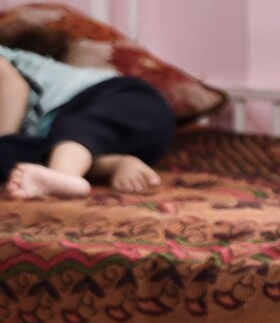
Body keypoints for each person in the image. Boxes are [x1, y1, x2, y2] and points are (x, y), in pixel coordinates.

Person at [0, 25, 175, 199]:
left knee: (77, 128)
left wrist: (5, 140)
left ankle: (63, 176)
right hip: (101, 146)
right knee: (40, 152)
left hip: (122, 100)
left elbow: (12, 85)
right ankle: (110, 165)